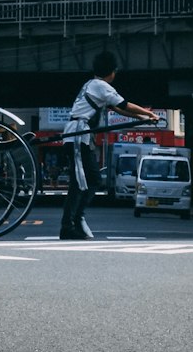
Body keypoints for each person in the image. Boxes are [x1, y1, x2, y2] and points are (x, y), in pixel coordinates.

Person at [59, 50, 158, 241]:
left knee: (91, 179)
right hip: (77, 136)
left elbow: (117, 108)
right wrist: (149, 114)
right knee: (81, 182)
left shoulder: (93, 85)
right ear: (111, 72)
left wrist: (141, 117)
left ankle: (76, 221)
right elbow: (125, 103)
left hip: (81, 136)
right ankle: (70, 224)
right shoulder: (100, 86)